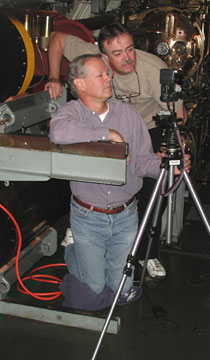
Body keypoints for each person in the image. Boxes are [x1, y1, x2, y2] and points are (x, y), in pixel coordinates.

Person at [45, 22, 187, 281]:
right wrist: (53, 77)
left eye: (130, 49)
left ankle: (147, 253)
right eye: (118, 53)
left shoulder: (153, 69)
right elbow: (56, 38)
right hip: (102, 120)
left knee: (152, 191)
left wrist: (169, 155)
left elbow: (177, 114)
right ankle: (82, 230)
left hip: (147, 125)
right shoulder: (90, 62)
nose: (127, 58)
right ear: (103, 57)